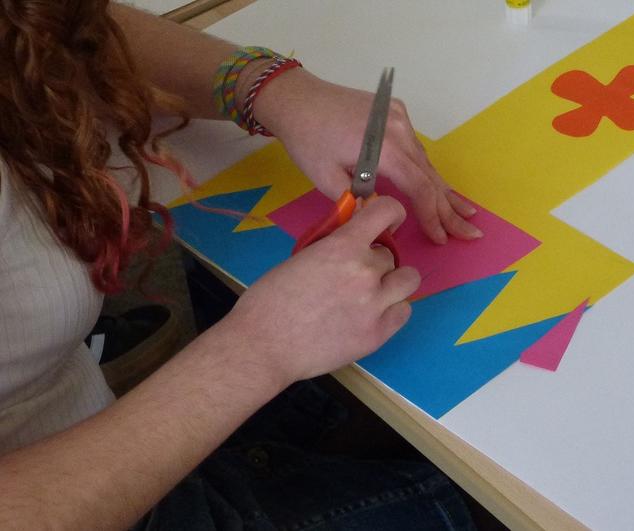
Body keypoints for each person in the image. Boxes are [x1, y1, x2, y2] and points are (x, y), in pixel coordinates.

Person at [0, 1, 483, 529]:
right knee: (455, 506)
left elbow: (55, 23)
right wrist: (258, 350)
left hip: (80, 414)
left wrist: (272, 90)